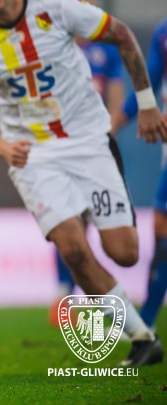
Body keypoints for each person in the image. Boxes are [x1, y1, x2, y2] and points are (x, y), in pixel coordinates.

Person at [0, 0, 166, 366]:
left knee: (125, 252)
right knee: (73, 250)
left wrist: (146, 104)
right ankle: (142, 337)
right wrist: (1, 145)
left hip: (89, 140)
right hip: (33, 154)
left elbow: (122, 35)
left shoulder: (58, 6)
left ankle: (101, 229)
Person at [43, 0, 126, 326]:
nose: (82, 9)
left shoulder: (106, 51)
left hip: (94, 149)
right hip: (60, 148)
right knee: (67, 222)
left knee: (95, 228)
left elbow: (117, 98)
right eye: (77, 2)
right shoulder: (49, 47)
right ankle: (63, 295)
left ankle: (88, 293)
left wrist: (107, 131)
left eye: (87, 3)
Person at [112, 17, 167, 333]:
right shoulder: (163, 33)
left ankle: (146, 320)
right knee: (161, 225)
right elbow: (149, 83)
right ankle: (146, 321)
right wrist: (116, 122)